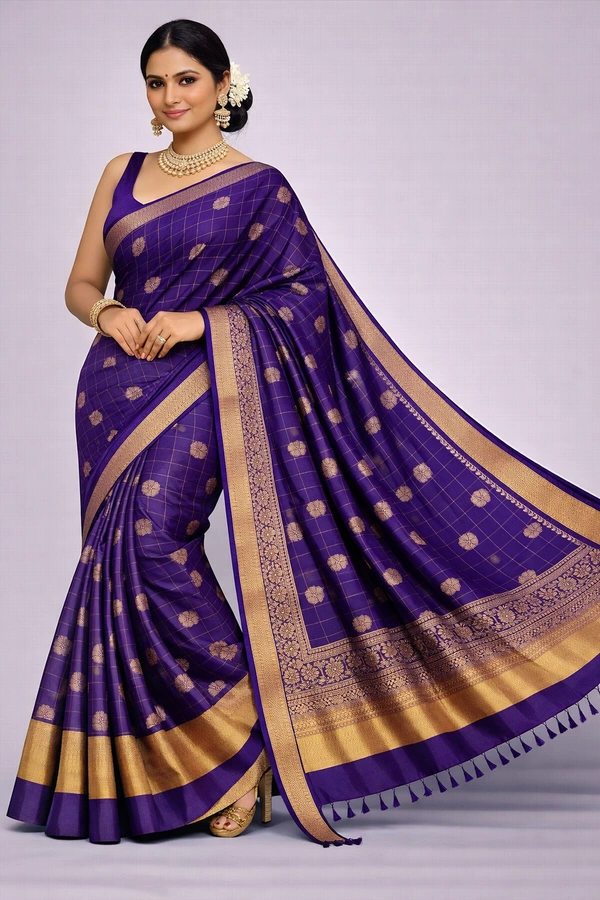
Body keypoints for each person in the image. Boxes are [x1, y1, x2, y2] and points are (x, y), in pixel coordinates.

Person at [6, 18, 600, 848]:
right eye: (156, 82)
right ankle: (160, 772)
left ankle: (249, 749)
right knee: (116, 569)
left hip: (204, 381)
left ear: (222, 84)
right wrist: (106, 312)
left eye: (186, 79)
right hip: (113, 392)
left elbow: (302, 298)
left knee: (154, 547)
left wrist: (197, 322)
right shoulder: (122, 171)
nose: (170, 96)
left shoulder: (260, 187)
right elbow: (79, 282)